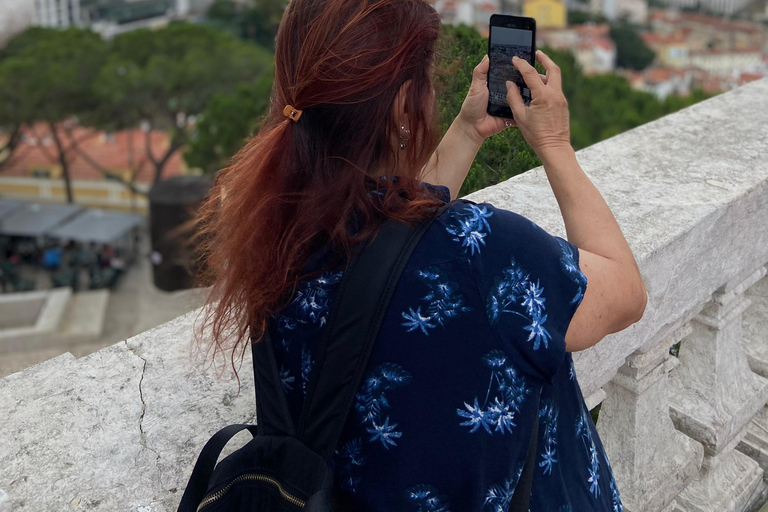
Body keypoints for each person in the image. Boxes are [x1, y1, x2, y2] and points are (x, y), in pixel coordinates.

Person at [191, 0, 646, 510]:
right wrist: (556, 144)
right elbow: (625, 292)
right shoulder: (484, 253)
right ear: (407, 104)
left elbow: (393, 247)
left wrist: (468, 131)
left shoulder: (270, 225)